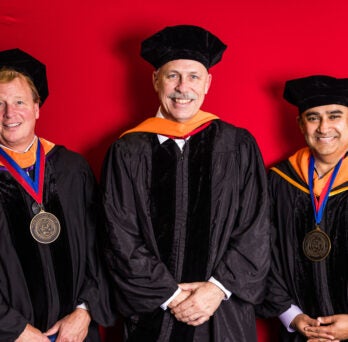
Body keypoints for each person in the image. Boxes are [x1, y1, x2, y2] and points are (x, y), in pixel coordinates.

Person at [101, 24, 270, 341]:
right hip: (153, 315)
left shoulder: (237, 145)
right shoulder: (127, 151)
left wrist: (217, 289)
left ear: (207, 83)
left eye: (193, 76)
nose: (183, 87)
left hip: (222, 316)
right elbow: (118, 234)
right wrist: (170, 295)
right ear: (155, 80)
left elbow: (256, 227)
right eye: (172, 75)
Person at [0, 48, 114, 341]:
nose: (9, 113)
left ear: (37, 107)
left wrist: (85, 310)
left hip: (76, 333)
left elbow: (103, 246)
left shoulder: (72, 169)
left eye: (19, 101)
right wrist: (16, 330)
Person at [257, 75, 348, 342]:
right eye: (312, 117)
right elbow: (261, 253)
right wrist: (291, 315)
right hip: (298, 333)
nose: (323, 127)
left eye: (334, 116)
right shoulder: (279, 181)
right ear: (300, 124)